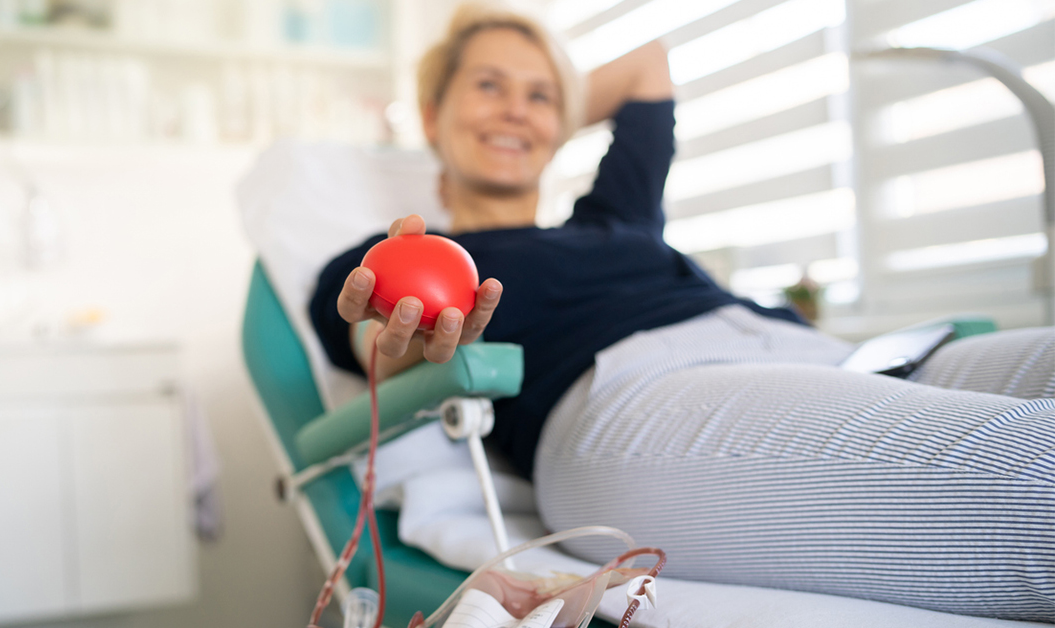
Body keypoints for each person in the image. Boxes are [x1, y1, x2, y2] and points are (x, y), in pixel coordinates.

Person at [309, 3, 1055, 621]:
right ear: (434, 111)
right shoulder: (404, 248)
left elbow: (648, 64)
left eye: (540, 95)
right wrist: (414, 331)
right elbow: (373, 332)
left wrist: (529, 114)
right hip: (636, 396)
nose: (515, 108)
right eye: (488, 87)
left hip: (816, 352)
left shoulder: (616, 214)